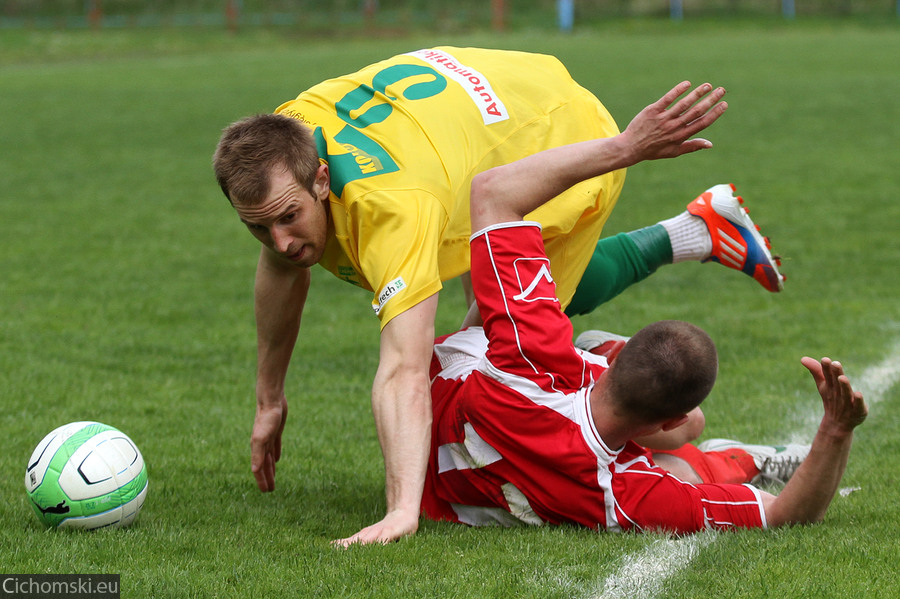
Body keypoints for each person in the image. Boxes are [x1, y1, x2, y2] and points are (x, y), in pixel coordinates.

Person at [212, 46, 779, 545]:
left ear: (320, 179)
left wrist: (402, 511)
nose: (280, 242)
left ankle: (693, 234)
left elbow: (403, 370)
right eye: (258, 227)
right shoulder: (282, 142)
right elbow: (281, 270)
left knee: (511, 319)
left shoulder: (391, 211)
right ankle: (699, 229)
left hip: (555, 129)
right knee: (508, 318)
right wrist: (269, 400)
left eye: (289, 219)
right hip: (470, 116)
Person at [421, 125, 867, 533]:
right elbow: (784, 514)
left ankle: (679, 238)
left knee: (519, 267)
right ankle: (746, 458)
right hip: (485, 463)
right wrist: (836, 429)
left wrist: (626, 148)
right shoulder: (621, 495)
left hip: (424, 420)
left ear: (607, 365)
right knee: (682, 456)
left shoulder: (529, 355)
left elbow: (494, 190)